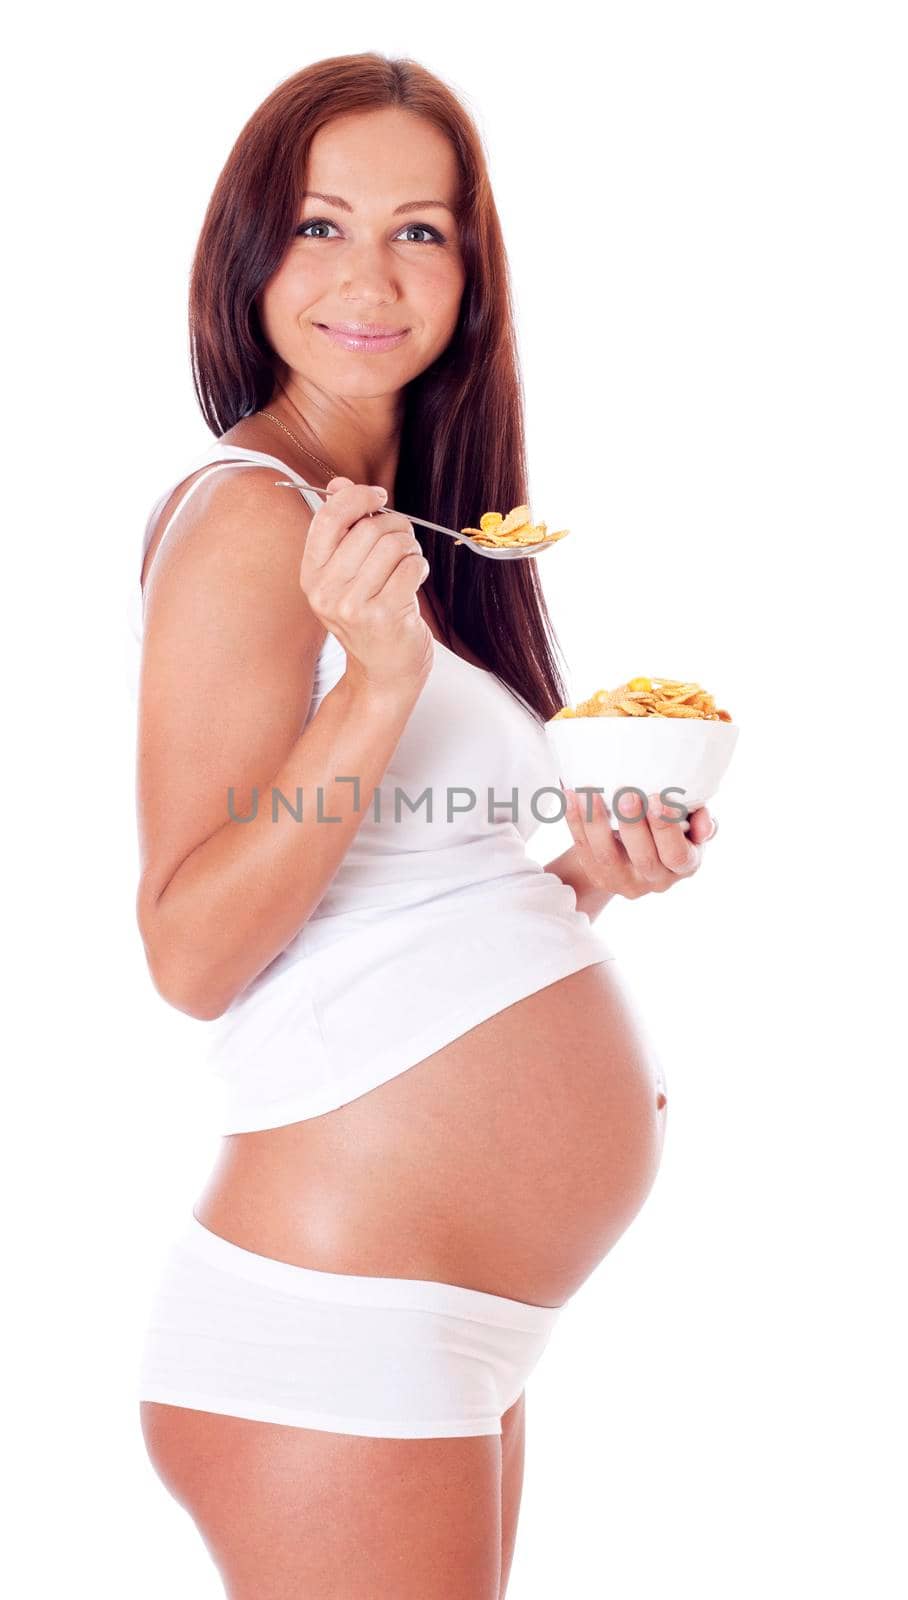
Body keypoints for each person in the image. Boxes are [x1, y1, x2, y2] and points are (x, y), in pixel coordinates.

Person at [131, 53, 717, 1600]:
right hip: (342, 1322)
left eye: (421, 231)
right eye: (322, 226)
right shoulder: (251, 518)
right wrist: (376, 687)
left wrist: (575, 883)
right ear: (252, 252)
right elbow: (190, 949)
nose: (370, 276)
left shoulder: (405, 527)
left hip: (440, 1317)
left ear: (472, 267)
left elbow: (385, 898)